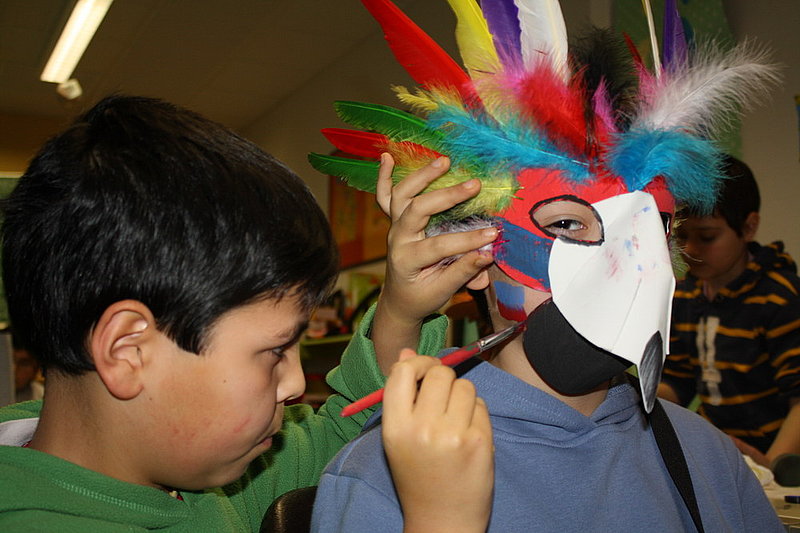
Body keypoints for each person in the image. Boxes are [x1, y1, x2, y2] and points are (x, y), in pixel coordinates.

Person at [308, 0, 784, 531]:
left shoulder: (708, 459)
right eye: (567, 224)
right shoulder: (393, 476)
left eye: (652, 231)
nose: (621, 269)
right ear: (476, 254)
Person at [0, 94, 495, 532]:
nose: (295, 385)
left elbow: (346, 430)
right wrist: (443, 521)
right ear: (128, 351)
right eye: (276, 350)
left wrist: (402, 309)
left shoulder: (199, 465)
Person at [658, 155, 800, 473]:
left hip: (779, 464)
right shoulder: (685, 295)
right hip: (723, 458)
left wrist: (771, 468)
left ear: (748, 227)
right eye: (682, 236)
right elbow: (677, 383)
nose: (690, 250)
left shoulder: (780, 297)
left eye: (707, 237)